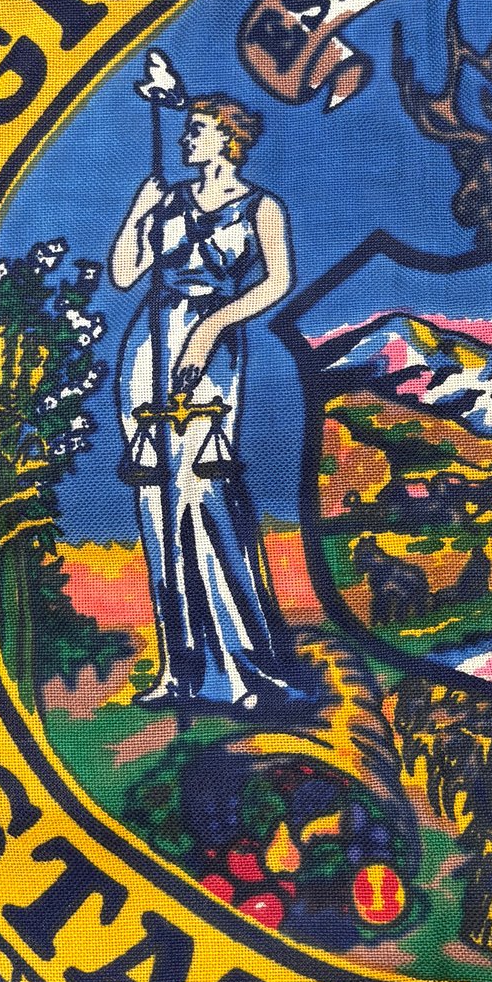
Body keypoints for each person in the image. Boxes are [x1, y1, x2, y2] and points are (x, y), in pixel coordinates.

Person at [109, 72, 307, 715]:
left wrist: (210, 329)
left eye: (198, 130)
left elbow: (276, 282)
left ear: (229, 139)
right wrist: (138, 212)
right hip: (148, 348)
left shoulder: (260, 208)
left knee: (201, 496)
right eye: (187, 129)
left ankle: (240, 667)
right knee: (155, 504)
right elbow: (125, 275)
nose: (186, 139)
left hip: (212, 350)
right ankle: (179, 669)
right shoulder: (167, 200)